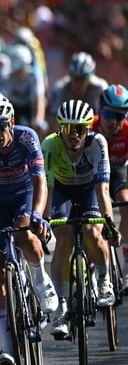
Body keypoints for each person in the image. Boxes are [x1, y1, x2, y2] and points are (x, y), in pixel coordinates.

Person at [0, 93, 58, 365]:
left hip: (24, 195)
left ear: (11, 122)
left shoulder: (27, 138)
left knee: (24, 233)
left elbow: (40, 181)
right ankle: (7, 345)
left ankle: (39, 278)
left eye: (0, 126)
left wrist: (38, 214)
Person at [43, 99, 120, 340]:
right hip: (63, 192)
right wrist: (44, 219)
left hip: (89, 191)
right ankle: (62, 308)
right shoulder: (50, 145)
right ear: (60, 129)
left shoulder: (98, 143)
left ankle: (104, 279)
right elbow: (46, 187)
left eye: (79, 129)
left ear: (88, 129)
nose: (73, 135)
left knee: (91, 230)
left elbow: (103, 189)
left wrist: (108, 222)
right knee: (64, 238)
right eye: (67, 129)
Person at [92, 84, 128, 282]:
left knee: (126, 202)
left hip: (118, 172)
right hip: (94, 175)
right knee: (92, 217)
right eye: (108, 114)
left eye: (120, 116)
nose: (114, 122)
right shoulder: (89, 126)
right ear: (99, 110)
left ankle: (127, 263)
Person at [48, 52, 108, 132]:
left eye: (82, 80)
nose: (78, 84)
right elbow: (55, 122)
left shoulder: (100, 88)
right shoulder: (61, 88)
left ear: (89, 78)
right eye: (75, 79)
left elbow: (103, 120)